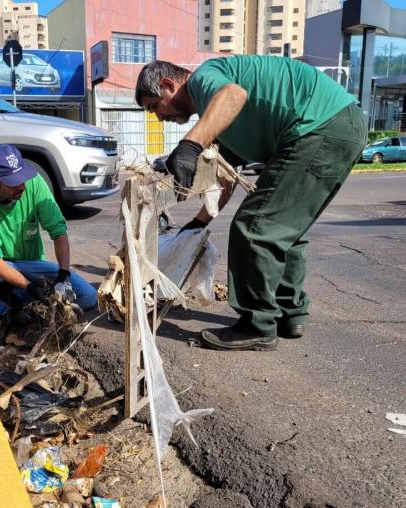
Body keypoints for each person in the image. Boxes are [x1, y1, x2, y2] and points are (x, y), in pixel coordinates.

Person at [135, 56, 367, 351]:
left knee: (254, 227)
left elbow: (234, 94)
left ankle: (256, 325)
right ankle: (289, 314)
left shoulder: (204, 80)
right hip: (335, 125)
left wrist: (190, 145)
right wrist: (199, 222)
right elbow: (226, 178)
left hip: (319, 126)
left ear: (168, 85)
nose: (158, 117)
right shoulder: (219, 119)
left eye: (154, 106)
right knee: (284, 231)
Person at [0, 144, 97, 353]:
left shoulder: (34, 184)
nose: (22, 186)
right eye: (13, 183)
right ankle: (1, 312)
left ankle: (17, 297)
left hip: (30, 264)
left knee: (88, 296)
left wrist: (63, 275)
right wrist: (30, 287)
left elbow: (58, 231)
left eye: (22, 178)